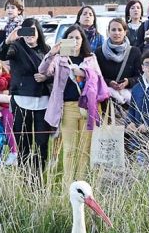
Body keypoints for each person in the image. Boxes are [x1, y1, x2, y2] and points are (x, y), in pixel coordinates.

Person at [40, 25, 108, 184]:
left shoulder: (90, 58)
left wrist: (83, 73)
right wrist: (52, 53)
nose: (74, 41)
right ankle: (67, 187)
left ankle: (81, 186)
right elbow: (43, 70)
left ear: (82, 40)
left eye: (77, 38)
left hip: (88, 106)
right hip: (68, 107)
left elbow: (99, 79)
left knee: (84, 150)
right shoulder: (59, 59)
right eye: (70, 38)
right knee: (70, 150)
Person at [0, 18, 52, 174]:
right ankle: (25, 177)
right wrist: (8, 41)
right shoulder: (16, 47)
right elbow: (1, 54)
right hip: (21, 99)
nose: (29, 34)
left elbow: (54, 71)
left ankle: (40, 176)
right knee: (23, 142)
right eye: (26, 31)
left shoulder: (46, 49)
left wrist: (46, 77)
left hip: (42, 100)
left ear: (38, 31)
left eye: (32, 30)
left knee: (42, 143)